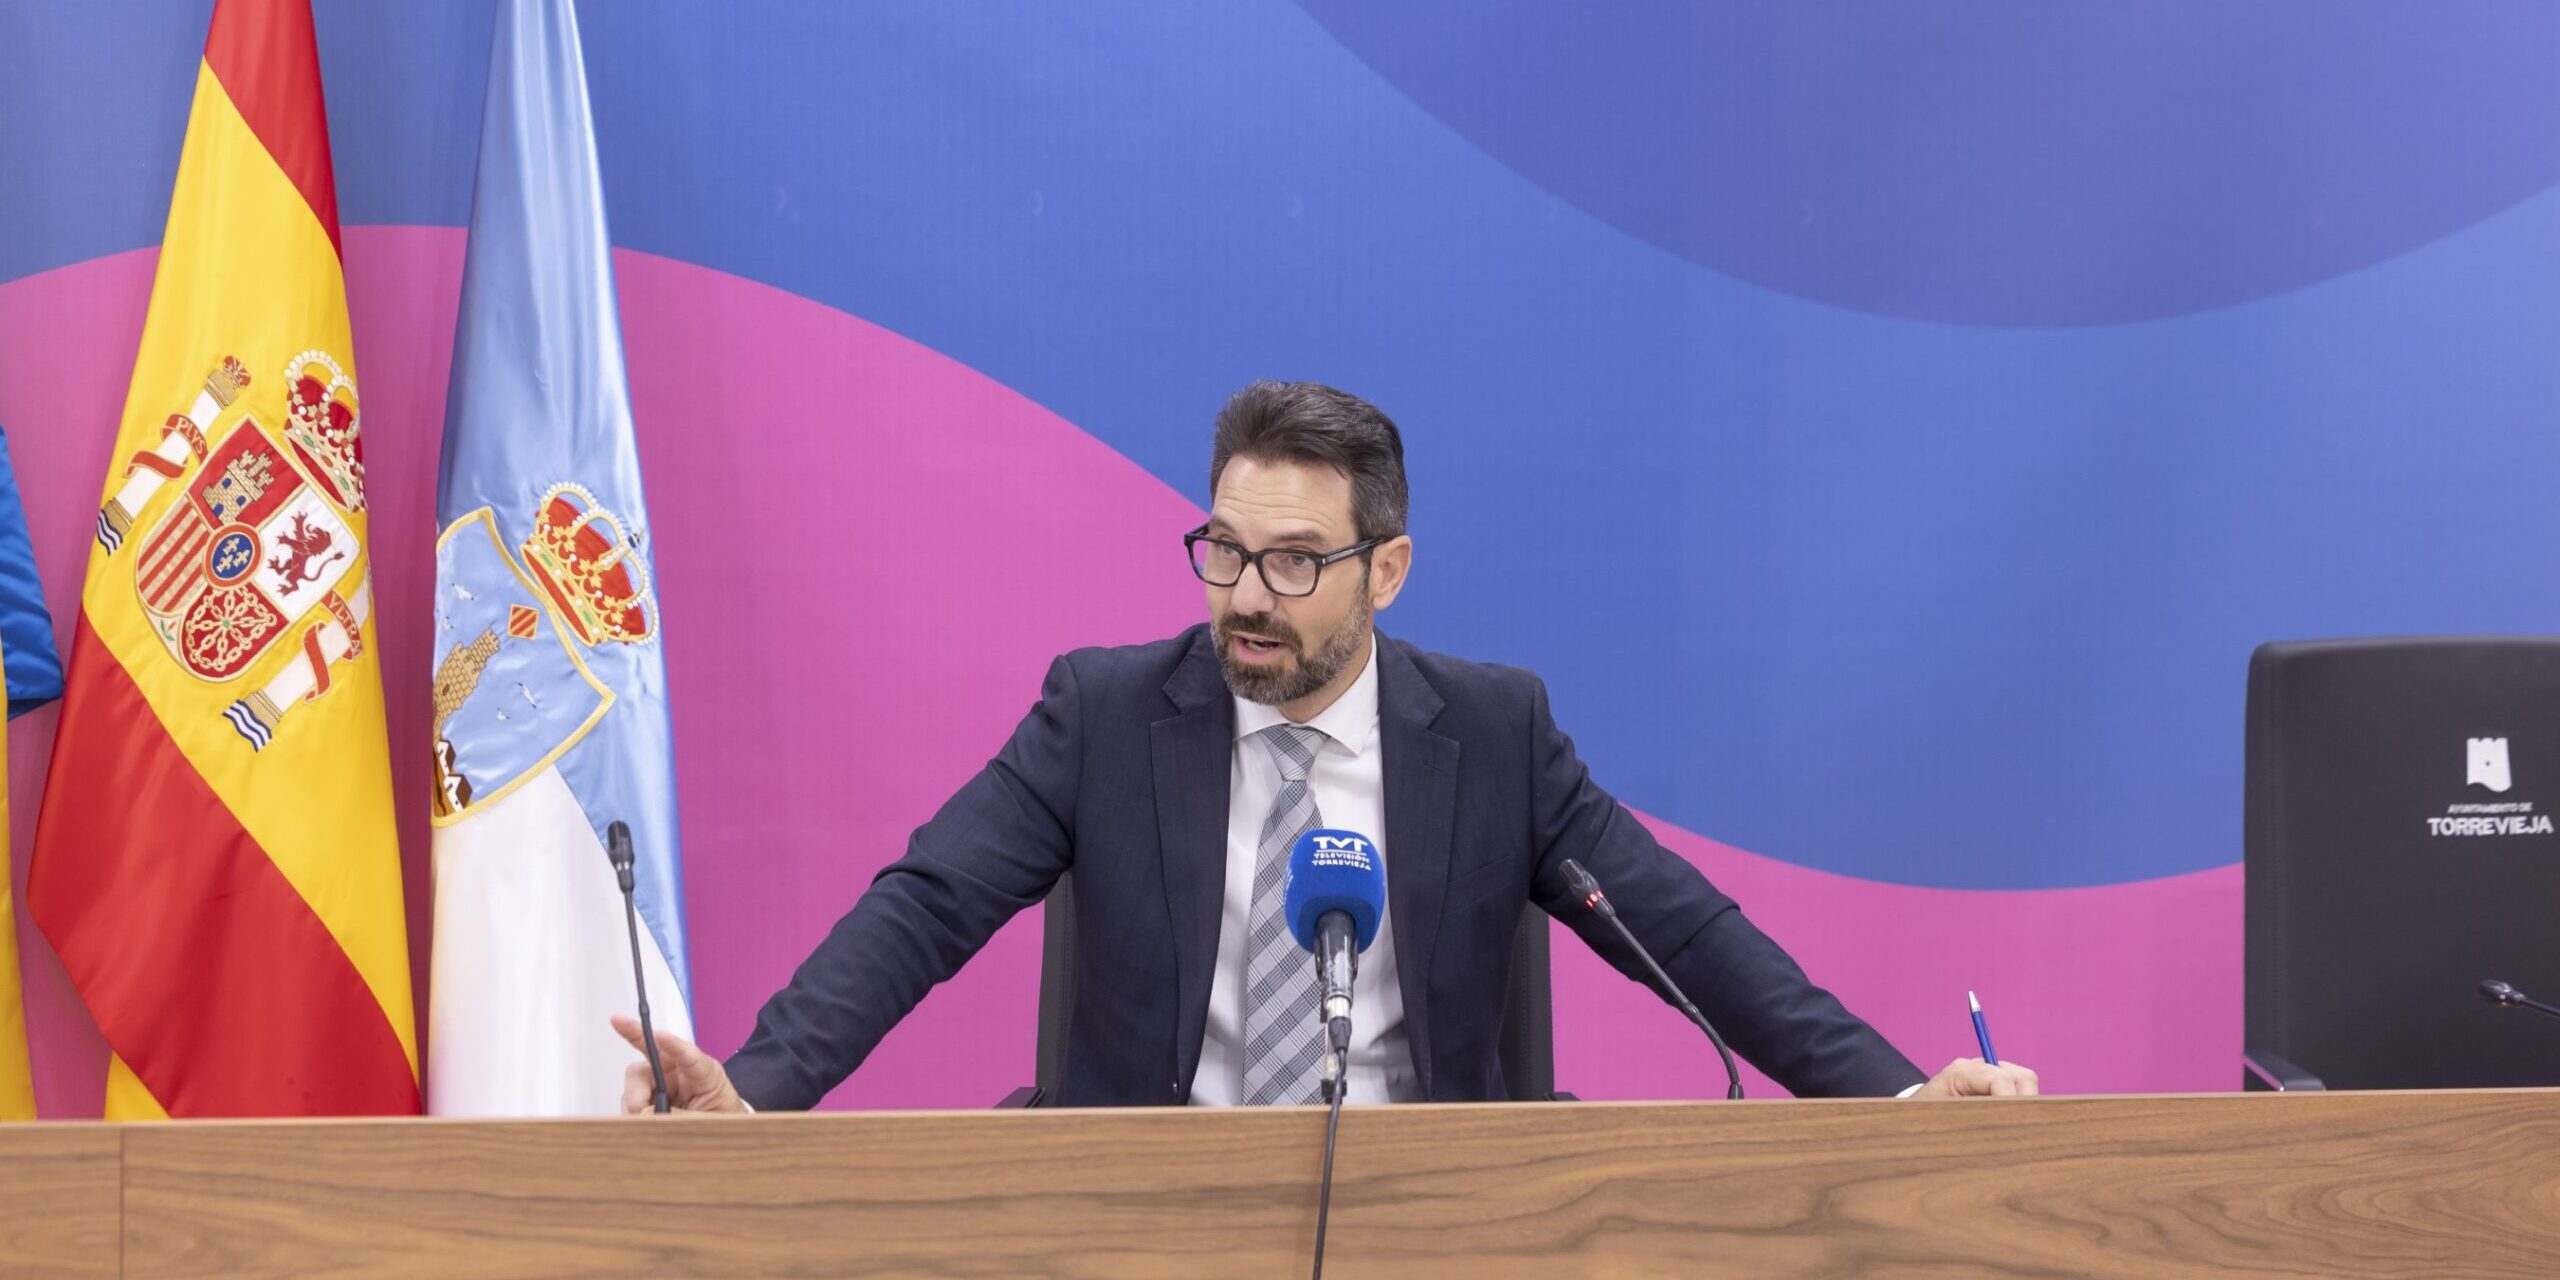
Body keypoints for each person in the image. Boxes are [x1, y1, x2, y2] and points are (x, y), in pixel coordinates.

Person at [616, 381, 2037, 1111]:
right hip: (1152, 1226)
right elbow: (925, 908)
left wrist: (1900, 1096)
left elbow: (1686, 930)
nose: (1246, 595)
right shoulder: (1104, 715)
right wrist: (759, 1086)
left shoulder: (1492, 733)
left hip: (1433, 1226)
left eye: (1294, 562)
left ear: (1387, 572)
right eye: (1224, 550)